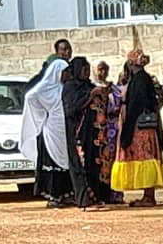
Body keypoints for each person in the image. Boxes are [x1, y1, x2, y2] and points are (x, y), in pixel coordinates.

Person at [112, 49, 163, 207]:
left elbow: (137, 104)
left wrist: (128, 125)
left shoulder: (139, 80)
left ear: (130, 63)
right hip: (145, 126)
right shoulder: (143, 79)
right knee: (146, 157)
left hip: (139, 127)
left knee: (144, 157)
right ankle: (148, 194)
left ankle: (149, 196)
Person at [19, 59, 73, 208]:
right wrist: (42, 115)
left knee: (66, 162)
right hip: (51, 131)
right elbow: (30, 97)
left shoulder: (65, 88)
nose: (67, 74)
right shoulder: (44, 88)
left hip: (64, 130)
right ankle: (53, 196)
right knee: (52, 162)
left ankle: (65, 195)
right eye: (65, 72)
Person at [62, 56, 104, 210]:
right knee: (79, 165)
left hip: (91, 134)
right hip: (76, 133)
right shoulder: (70, 87)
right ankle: (84, 201)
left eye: (88, 69)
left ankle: (95, 198)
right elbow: (71, 109)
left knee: (93, 165)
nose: (86, 73)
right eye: (83, 70)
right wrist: (90, 96)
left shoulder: (88, 86)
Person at [92, 61, 124, 204]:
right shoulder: (93, 88)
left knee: (114, 160)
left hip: (113, 128)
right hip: (99, 131)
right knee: (101, 161)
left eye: (105, 69)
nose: (103, 73)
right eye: (100, 70)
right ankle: (101, 194)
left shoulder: (114, 88)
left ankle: (115, 194)